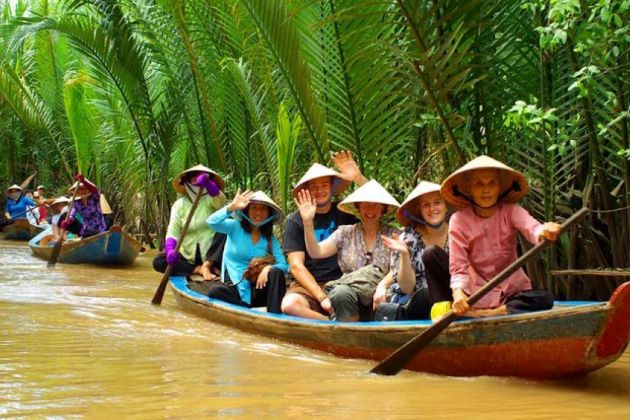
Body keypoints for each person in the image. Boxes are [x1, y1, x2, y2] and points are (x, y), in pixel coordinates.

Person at [441, 155, 561, 317]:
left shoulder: (511, 211)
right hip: (479, 294)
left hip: (512, 292)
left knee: (545, 298)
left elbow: (532, 228)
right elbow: (458, 266)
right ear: (470, 189)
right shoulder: (459, 220)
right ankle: (481, 310)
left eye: (492, 183)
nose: (486, 189)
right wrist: (458, 294)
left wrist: (544, 231)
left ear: (500, 187)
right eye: (479, 184)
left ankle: (490, 314)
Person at [295, 180, 399, 321]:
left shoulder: (394, 234)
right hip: (349, 297)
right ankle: (349, 335)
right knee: (340, 293)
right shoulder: (345, 233)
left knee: (392, 301)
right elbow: (316, 252)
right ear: (358, 207)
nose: (370, 210)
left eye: (376, 205)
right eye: (366, 205)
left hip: (381, 296)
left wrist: (382, 285)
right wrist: (308, 223)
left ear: (383, 209)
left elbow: (399, 267)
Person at [281, 151, 368, 320]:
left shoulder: (346, 213)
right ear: (307, 191)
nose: (319, 191)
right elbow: (296, 266)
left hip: (344, 281)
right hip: (309, 284)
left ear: (331, 187)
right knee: (290, 305)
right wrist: (321, 297)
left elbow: (376, 207)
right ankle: (332, 325)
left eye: (324, 185)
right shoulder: (295, 220)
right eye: (314, 187)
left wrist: (358, 178)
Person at [375, 181, 453, 321]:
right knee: (426, 297)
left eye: (437, 203)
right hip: (417, 301)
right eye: (426, 205)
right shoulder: (408, 237)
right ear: (420, 211)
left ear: (446, 206)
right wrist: (405, 254)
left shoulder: (458, 231)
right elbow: (407, 288)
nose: (432, 208)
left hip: (454, 295)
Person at [205, 190, 288, 313]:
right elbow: (212, 222)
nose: (258, 212)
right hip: (236, 286)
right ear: (247, 210)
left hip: (258, 288)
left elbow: (284, 266)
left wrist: (267, 268)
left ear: (269, 213)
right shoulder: (234, 227)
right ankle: (246, 309)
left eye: (263, 208)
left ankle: (274, 315)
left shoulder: (270, 240)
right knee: (215, 292)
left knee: (276, 272)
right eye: (254, 207)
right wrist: (231, 207)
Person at [152, 165, 226, 279]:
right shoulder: (179, 205)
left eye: (199, 179)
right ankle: (197, 270)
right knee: (158, 261)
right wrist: (170, 250)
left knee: (225, 233)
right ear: (186, 183)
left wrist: (207, 184)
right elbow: (173, 232)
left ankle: (209, 266)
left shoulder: (211, 200)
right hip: (188, 258)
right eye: (193, 179)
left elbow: (219, 200)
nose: (196, 182)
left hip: (212, 255)